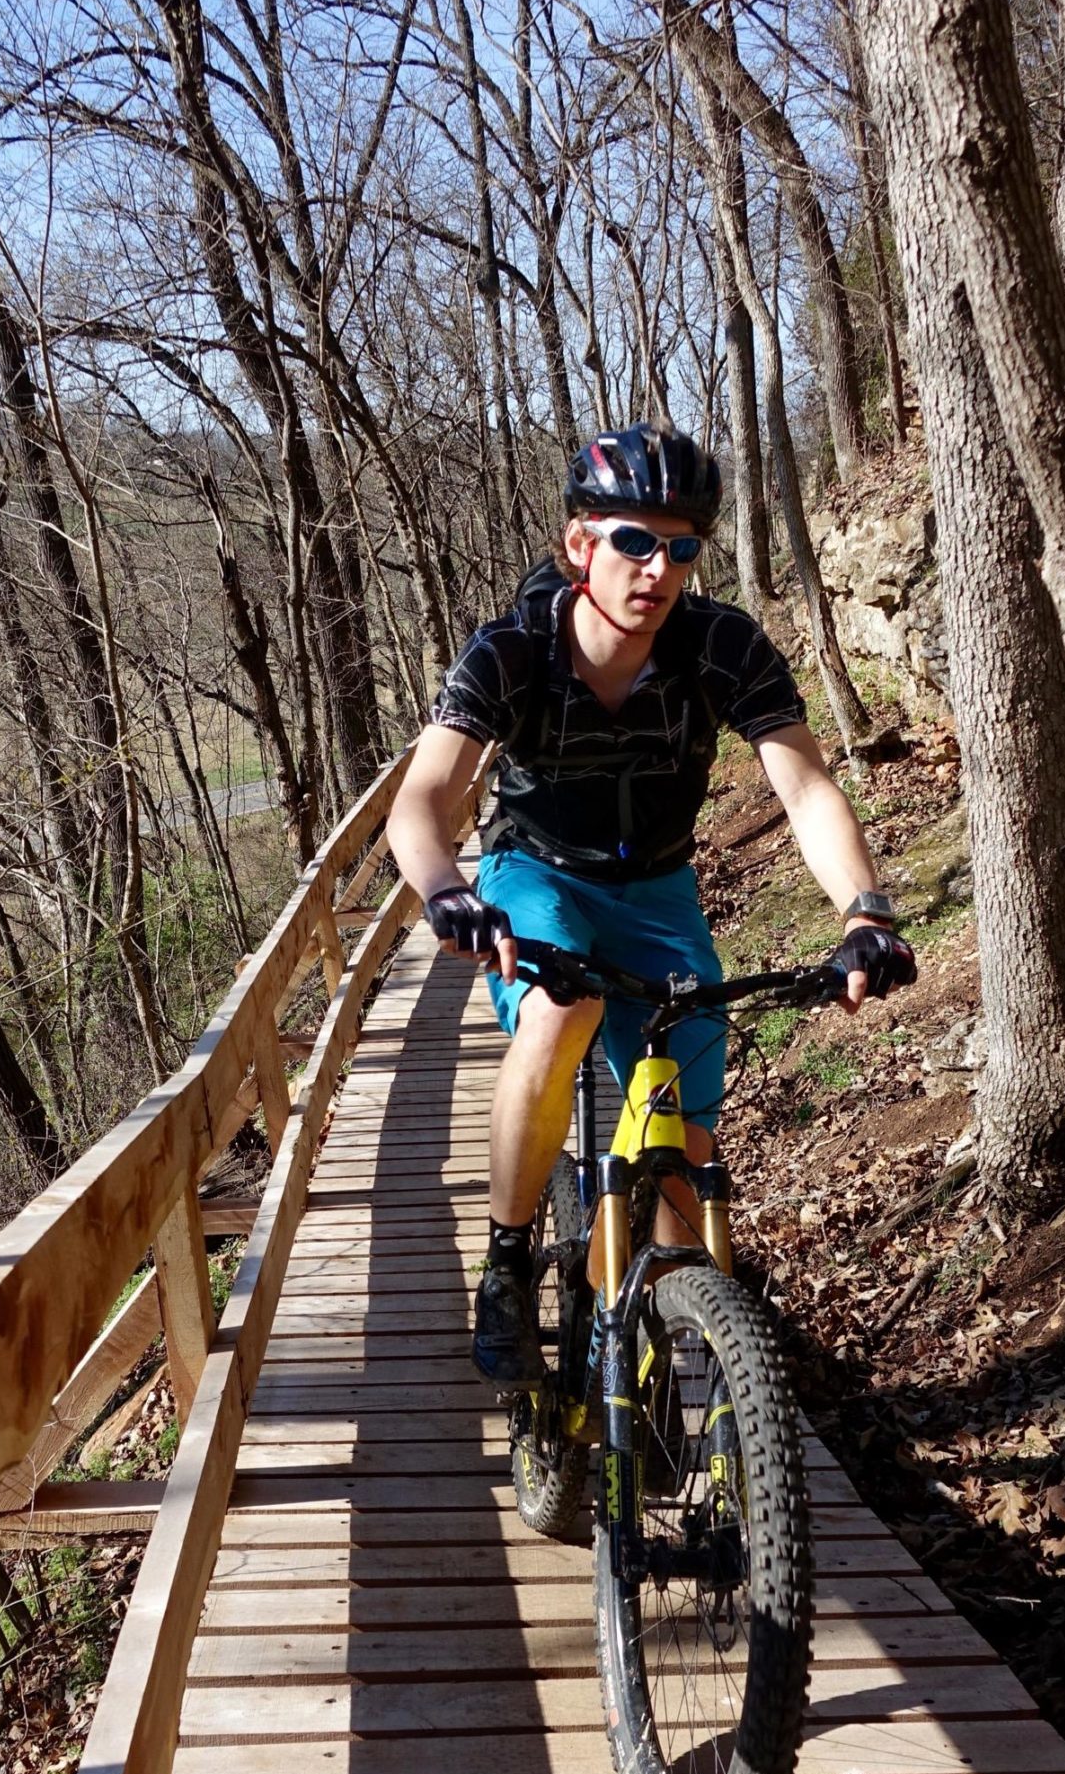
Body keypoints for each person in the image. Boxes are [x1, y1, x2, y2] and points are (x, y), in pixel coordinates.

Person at [385, 422, 917, 1386]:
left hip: (660, 889)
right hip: (535, 873)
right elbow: (422, 799)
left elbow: (803, 788)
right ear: (579, 543)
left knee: (679, 1157)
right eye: (634, 540)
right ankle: (506, 1264)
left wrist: (863, 912)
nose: (657, 568)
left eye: (681, 549)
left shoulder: (721, 648)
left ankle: (676, 1352)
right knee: (563, 1009)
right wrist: (445, 891)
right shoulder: (513, 654)